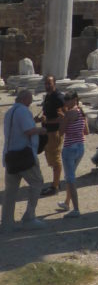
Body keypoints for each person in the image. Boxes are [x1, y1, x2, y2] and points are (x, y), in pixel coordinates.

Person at [1, 89, 45, 230]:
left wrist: (33, 122)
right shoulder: (23, 111)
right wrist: (41, 130)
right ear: (25, 99)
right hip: (24, 155)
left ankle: (7, 222)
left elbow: (19, 127)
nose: (31, 102)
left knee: (11, 191)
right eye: (30, 99)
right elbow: (28, 131)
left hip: (10, 155)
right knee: (37, 182)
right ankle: (29, 216)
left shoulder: (10, 112)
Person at [56, 91, 89, 218]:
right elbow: (86, 132)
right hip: (80, 147)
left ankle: (76, 209)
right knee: (71, 176)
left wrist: (62, 118)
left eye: (68, 99)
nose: (65, 102)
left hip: (70, 148)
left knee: (70, 179)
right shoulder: (82, 112)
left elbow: (60, 132)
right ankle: (66, 202)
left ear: (74, 99)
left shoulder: (69, 113)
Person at [39, 73, 65, 196]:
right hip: (47, 132)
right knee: (50, 157)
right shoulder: (48, 97)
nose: (47, 85)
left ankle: (54, 187)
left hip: (54, 132)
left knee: (55, 158)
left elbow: (62, 117)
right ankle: (56, 181)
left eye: (49, 83)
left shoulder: (58, 98)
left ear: (54, 83)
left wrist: (47, 121)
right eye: (46, 83)